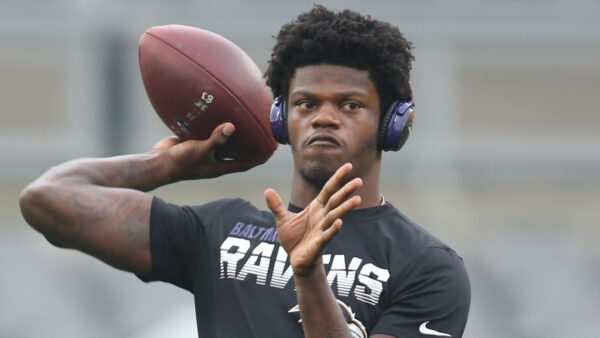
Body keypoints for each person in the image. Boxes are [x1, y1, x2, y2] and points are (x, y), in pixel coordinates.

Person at [19, 5, 470, 338]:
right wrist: (167, 165)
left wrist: (308, 272)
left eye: (351, 105)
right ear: (281, 119)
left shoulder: (426, 267)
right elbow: (45, 199)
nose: (324, 118)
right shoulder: (218, 231)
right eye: (306, 103)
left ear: (392, 124)